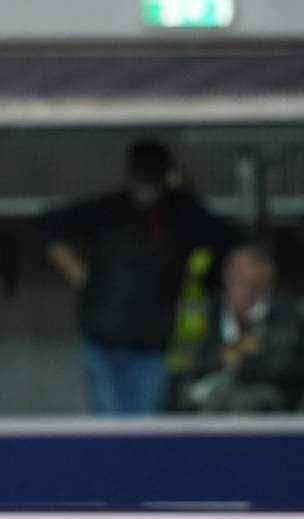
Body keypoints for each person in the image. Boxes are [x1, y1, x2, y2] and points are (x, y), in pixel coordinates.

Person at [42, 139, 238, 415]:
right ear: (131, 174)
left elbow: (229, 238)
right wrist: (79, 273)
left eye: (153, 176)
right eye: (143, 176)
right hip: (103, 339)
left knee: (145, 426)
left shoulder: (182, 214)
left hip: (152, 346)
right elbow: (49, 224)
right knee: (108, 426)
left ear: (165, 176)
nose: (147, 186)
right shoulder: (110, 210)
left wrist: (186, 190)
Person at [184, 244, 304, 412]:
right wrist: (223, 357)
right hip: (209, 394)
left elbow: (285, 365)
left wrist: (242, 361)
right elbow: (192, 361)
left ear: (267, 284)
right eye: (236, 278)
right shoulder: (209, 312)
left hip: (263, 397)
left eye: (252, 283)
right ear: (226, 276)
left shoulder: (287, 315)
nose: (242, 288)